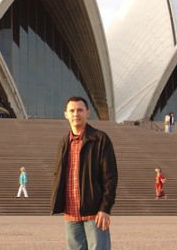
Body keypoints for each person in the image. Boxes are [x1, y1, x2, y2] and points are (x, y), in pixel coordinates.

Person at [51, 96, 118, 250]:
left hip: (94, 212)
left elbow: (110, 177)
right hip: (71, 212)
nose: (76, 114)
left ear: (87, 113)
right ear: (66, 114)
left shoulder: (100, 139)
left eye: (80, 110)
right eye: (72, 111)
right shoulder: (63, 143)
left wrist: (105, 208)